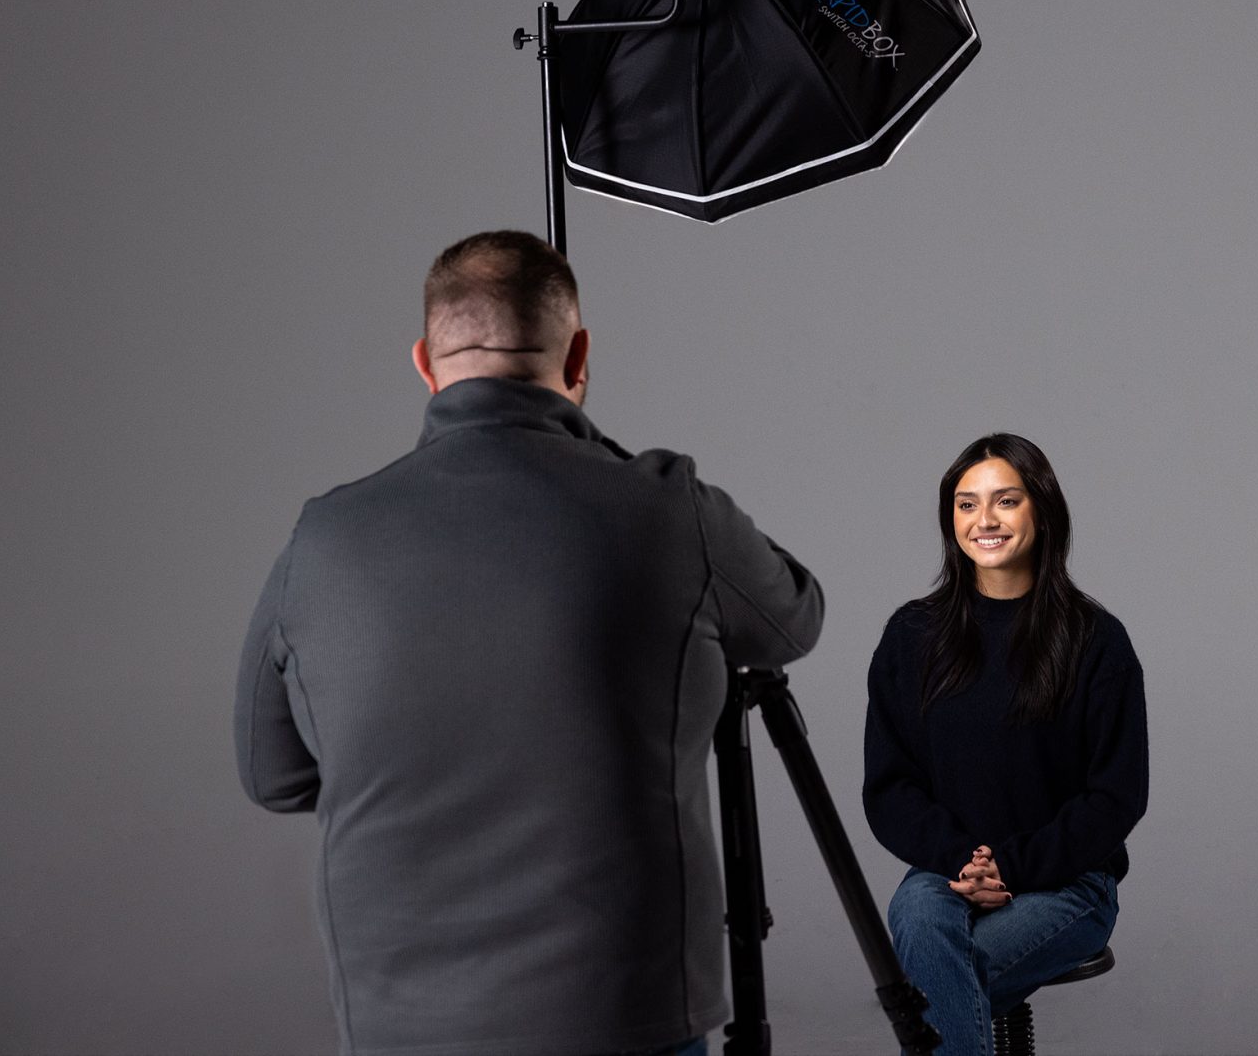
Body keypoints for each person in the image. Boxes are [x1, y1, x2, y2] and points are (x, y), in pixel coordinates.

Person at [234, 230, 822, 1056]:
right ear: (579, 354)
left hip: (400, 1022)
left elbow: (275, 775)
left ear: (424, 363)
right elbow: (793, 619)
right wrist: (623, 469)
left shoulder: (322, 536)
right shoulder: (664, 506)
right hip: (627, 1013)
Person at [862, 433, 1148, 1056]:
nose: (984, 520)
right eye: (966, 505)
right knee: (918, 921)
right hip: (944, 875)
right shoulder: (913, 636)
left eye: (1005, 501)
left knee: (933, 986)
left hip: (1068, 885)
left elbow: (1116, 795)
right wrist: (965, 860)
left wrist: (1012, 867)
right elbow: (890, 787)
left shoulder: (1096, 640)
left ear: (1041, 512)